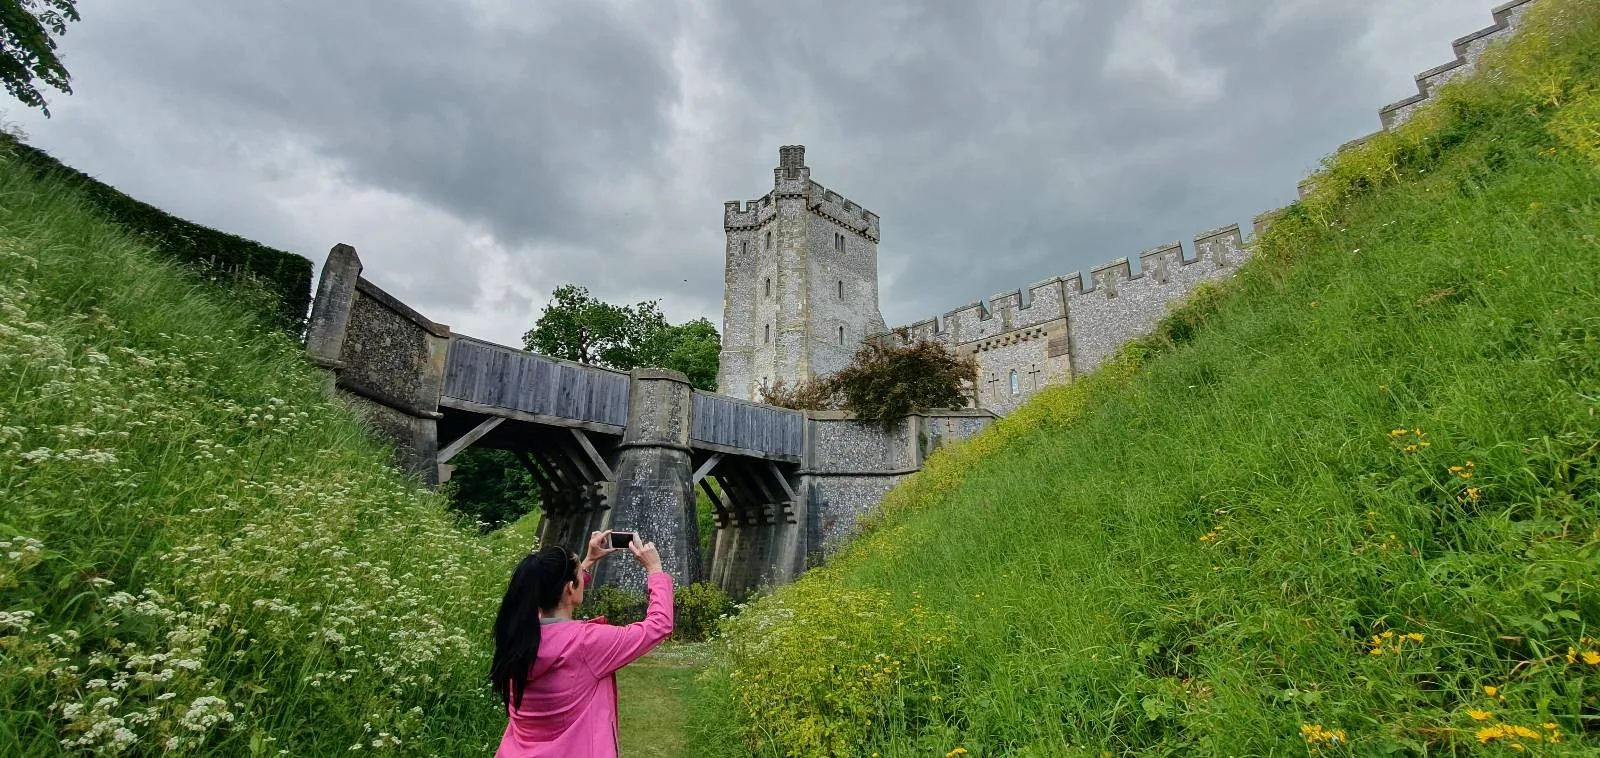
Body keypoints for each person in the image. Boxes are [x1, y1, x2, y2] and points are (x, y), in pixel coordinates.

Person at [490, 530, 673, 757]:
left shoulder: (517, 636)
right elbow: (659, 625)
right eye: (579, 577)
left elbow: (557, 593)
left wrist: (587, 561)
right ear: (570, 587)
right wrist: (655, 571)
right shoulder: (587, 643)